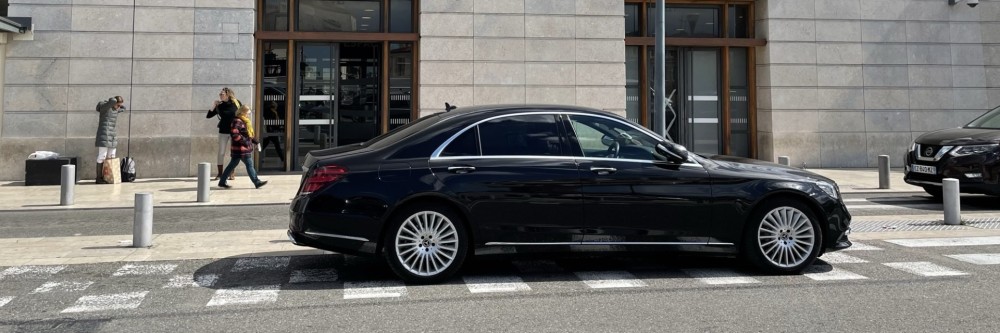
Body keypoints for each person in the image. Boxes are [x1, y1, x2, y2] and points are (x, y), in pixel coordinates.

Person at [218, 105, 268, 189]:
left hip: (239, 149)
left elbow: (247, 134)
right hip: (241, 149)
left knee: (232, 165)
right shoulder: (238, 121)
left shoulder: (243, 121)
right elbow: (235, 134)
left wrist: (256, 142)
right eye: (248, 113)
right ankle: (257, 182)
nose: (249, 115)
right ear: (243, 112)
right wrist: (245, 142)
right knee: (249, 164)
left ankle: (222, 182)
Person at [207, 87, 240, 181]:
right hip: (223, 131)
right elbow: (208, 116)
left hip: (234, 132)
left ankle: (232, 173)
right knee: (221, 152)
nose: (220, 96)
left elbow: (242, 115)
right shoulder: (220, 106)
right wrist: (214, 105)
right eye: (220, 94)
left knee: (233, 153)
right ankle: (220, 173)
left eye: (222, 94)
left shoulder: (237, 103)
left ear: (227, 94)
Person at [94, 96, 127, 184]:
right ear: (114, 103)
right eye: (118, 105)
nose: (119, 107)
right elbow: (111, 102)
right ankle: (98, 178)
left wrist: (118, 105)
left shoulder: (115, 110)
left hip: (112, 135)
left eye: (120, 105)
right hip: (103, 135)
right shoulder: (105, 108)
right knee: (102, 156)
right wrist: (114, 100)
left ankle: (108, 177)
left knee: (111, 156)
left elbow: (124, 108)